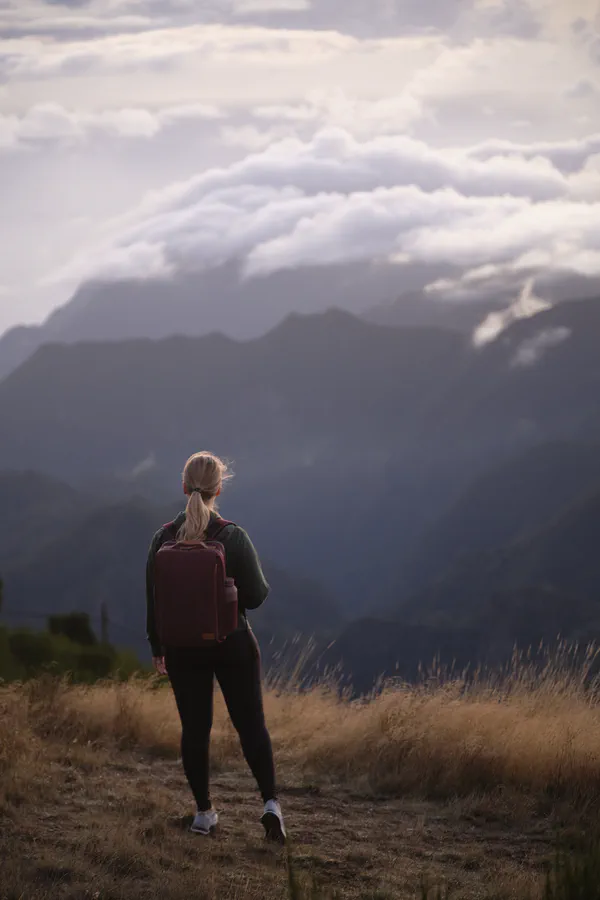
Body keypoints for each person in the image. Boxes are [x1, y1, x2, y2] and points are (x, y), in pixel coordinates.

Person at [146, 451, 286, 842]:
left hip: (181, 648)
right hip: (232, 642)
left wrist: (158, 647)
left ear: (183, 486)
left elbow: (153, 601)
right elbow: (256, 596)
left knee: (195, 730)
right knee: (251, 725)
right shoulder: (232, 537)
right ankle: (270, 804)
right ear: (219, 489)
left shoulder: (163, 538)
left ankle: (204, 813)